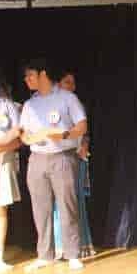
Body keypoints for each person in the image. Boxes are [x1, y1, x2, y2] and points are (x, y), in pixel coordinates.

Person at [19, 59, 88, 272]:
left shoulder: (67, 98)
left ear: (43, 74)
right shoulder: (30, 104)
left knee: (67, 206)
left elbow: (82, 126)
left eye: (30, 75)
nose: (27, 80)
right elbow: (23, 133)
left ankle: (72, 254)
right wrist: (30, 138)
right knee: (41, 209)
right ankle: (45, 255)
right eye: (25, 77)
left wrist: (64, 134)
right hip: (37, 158)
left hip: (62, 157)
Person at [51, 70, 95, 258]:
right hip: (57, 158)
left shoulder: (78, 105)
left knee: (75, 201)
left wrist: (84, 145)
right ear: (58, 85)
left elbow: (85, 132)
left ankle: (81, 245)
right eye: (67, 82)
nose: (71, 86)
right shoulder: (51, 107)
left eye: (73, 83)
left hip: (76, 157)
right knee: (57, 202)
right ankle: (59, 247)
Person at [0, 71, 22, 272]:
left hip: (3, 161)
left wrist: (3, 145)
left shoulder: (7, 105)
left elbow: (19, 135)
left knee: (0, 208)